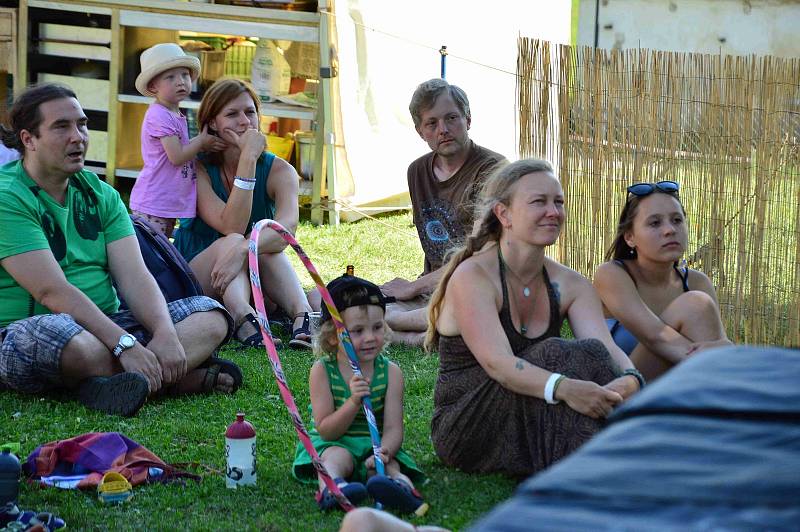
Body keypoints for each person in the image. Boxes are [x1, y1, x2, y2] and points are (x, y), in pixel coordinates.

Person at [0, 84, 240, 417]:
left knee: (212, 316)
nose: (78, 136)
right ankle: (170, 379)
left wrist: (165, 333)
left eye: (82, 124)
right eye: (61, 127)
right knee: (73, 344)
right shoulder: (7, 197)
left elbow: (135, 277)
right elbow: (51, 291)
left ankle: (116, 382)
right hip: (32, 328)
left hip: (109, 324)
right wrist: (124, 344)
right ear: (28, 139)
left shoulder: (102, 194)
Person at [426, 158, 644, 479]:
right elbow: (500, 365)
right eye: (538, 202)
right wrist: (567, 388)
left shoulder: (570, 284)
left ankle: (611, 463)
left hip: (533, 410)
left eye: (558, 202)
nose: (553, 212)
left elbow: (604, 348)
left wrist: (630, 378)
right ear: (504, 214)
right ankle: (607, 468)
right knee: (556, 353)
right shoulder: (473, 277)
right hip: (468, 426)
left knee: (587, 354)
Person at [172, 78, 314, 349]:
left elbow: (286, 232)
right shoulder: (196, 169)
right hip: (200, 277)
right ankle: (243, 318)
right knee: (236, 240)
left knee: (265, 241)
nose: (245, 121)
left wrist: (243, 252)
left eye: (250, 112)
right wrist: (247, 160)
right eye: (232, 114)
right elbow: (231, 225)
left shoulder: (281, 171)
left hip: (254, 279)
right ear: (212, 123)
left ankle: (304, 317)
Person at [381, 79, 506, 346]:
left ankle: (395, 328)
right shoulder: (417, 171)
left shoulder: (493, 169)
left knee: (379, 314)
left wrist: (412, 287)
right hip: (435, 288)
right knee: (365, 301)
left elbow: (479, 253)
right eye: (432, 123)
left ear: (468, 119)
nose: (443, 130)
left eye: (452, 118)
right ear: (419, 131)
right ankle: (415, 330)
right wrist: (419, 287)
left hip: (483, 283)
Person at [292, 274, 426, 514]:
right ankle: (334, 489)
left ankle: (403, 490)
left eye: (377, 327)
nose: (370, 338)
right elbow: (326, 429)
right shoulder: (323, 371)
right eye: (357, 330)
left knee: (389, 467)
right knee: (334, 458)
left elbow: (394, 428)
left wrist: (383, 452)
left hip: (375, 444)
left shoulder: (391, 372)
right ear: (333, 335)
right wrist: (353, 402)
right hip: (336, 441)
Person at [593, 180, 731, 381]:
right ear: (630, 237)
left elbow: (721, 344)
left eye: (677, 220)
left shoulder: (697, 282)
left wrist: (722, 351)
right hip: (623, 388)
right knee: (695, 305)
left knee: (697, 303)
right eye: (655, 223)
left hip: (680, 386)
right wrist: (714, 358)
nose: (670, 230)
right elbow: (655, 336)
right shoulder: (612, 274)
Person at [128, 43, 225, 238]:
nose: (180, 82)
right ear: (153, 86)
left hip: (165, 200)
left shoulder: (173, 113)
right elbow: (177, 156)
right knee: (154, 253)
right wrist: (201, 142)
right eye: (170, 77)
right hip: (154, 203)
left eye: (184, 75)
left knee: (162, 252)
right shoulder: (159, 115)